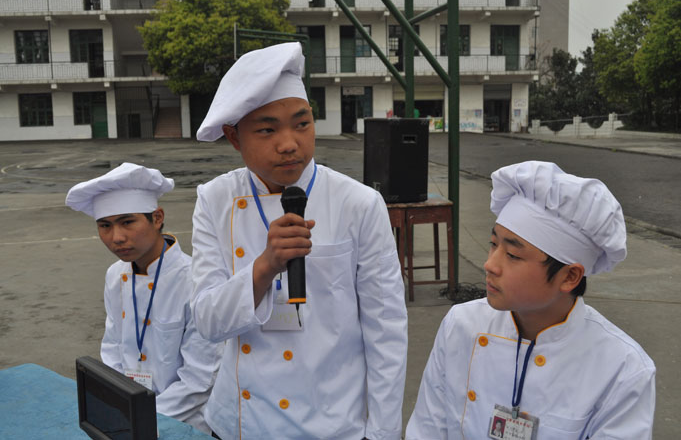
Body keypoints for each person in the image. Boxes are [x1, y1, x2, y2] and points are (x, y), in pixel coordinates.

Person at [190, 42, 408, 439]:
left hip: (330, 423)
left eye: (302, 124)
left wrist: (382, 434)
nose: (289, 143)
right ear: (234, 138)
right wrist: (263, 267)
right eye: (267, 129)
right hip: (240, 424)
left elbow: (386, 330)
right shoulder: (215, 200)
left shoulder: (358, 203)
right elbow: (207, 321)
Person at [406, 161, 656, 439]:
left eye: (513, 255)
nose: (490, 264)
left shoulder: (622, 369)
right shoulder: (462, 325)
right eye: (493, 244)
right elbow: (427, 429)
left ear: (569, 276)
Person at [65, 162, 223, 433]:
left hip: (184, 422)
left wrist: (141, 419)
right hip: (127, 418)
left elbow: (200, 379)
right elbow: (113, 348)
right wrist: (122, 408)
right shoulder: (116, 275)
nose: (116, 237)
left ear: (157, 218)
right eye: (105, 225)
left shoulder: (196, 279)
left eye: (127, 222)